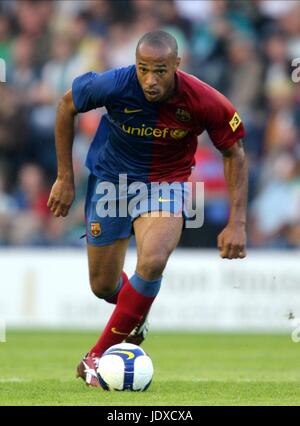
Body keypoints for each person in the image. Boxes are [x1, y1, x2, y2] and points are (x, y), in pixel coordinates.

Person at [47, 30, 248, 387]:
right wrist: (65, 177)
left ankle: (95, 356)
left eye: (159, 71)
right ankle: (134, 315)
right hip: (112, 182)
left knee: (152, 260)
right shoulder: (113, 84)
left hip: (166, 183)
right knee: (103, 285)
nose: (150, 80)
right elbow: (66, 106)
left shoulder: (204, 100)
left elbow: (234, 151)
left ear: (176, 66)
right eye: (143, 70)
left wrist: (238, 222)